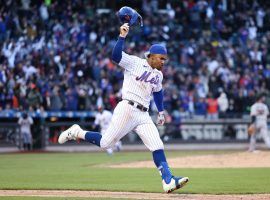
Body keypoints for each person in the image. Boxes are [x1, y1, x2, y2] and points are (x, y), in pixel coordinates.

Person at [58, 23, 189, 193]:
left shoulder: (158, 74)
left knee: (157, 144)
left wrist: (161, 111)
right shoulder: (135, 62)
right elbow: (115, 56)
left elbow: (158, 92)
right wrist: (122, 36)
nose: (164, 62)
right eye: (161, 58)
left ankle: (168, 180)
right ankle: (77, 132)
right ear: (151, 56)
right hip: (127, 108)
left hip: (143, 114)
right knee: (106, 144)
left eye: (165, 59)